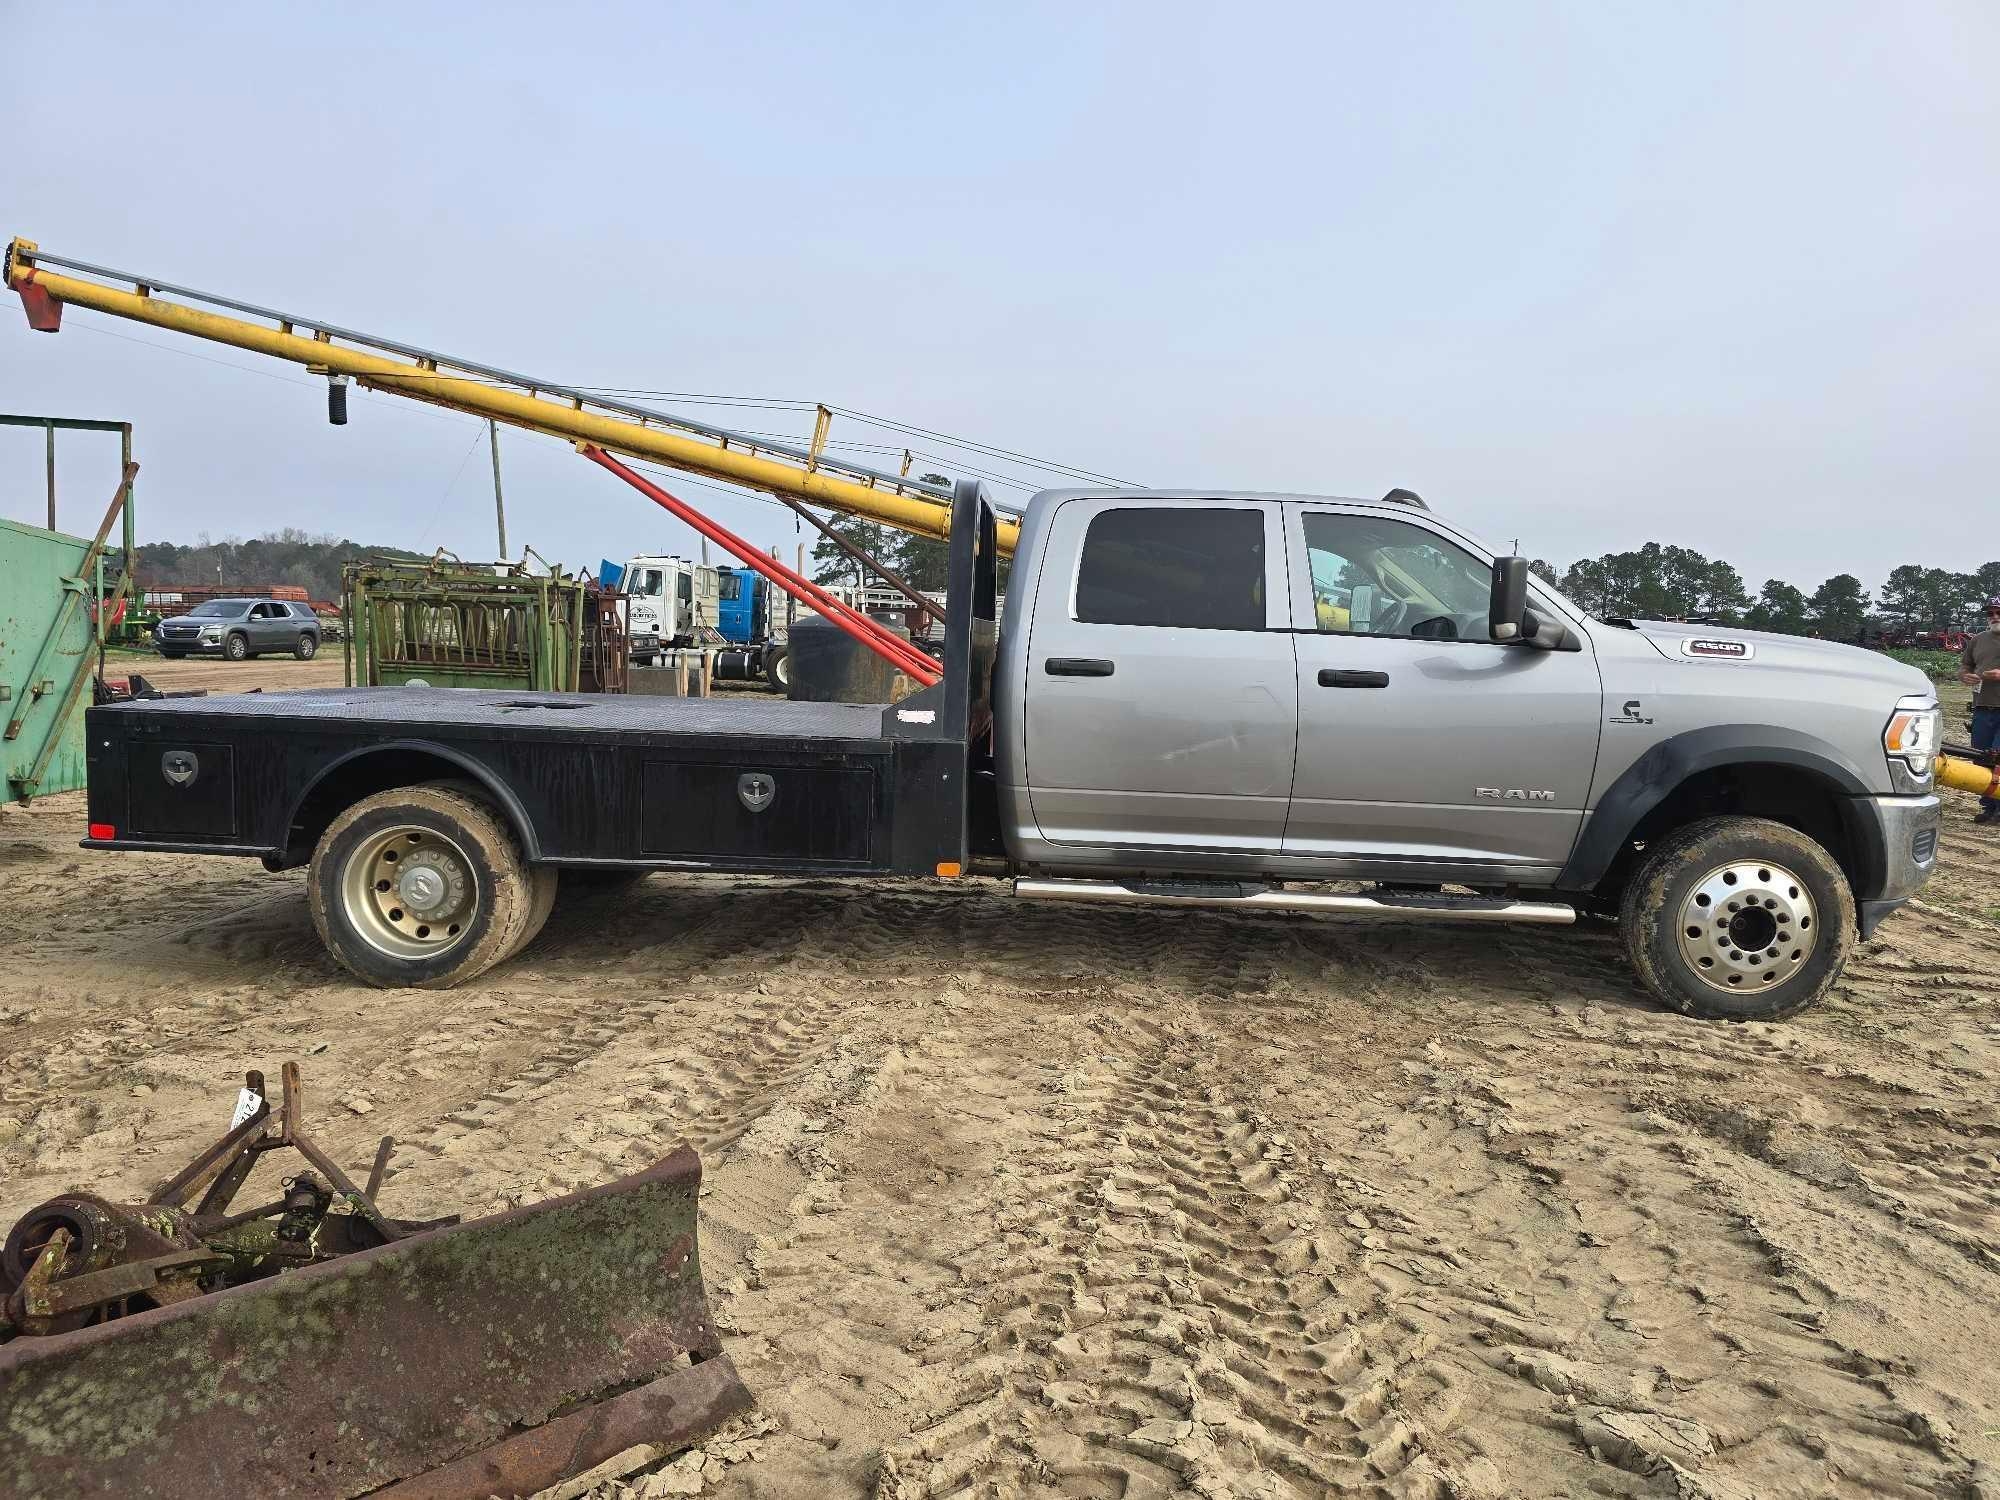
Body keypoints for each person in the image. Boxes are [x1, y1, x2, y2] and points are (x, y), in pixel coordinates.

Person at [1962, 595, 2000, 824]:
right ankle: (1989, 808)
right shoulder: (1977, 640)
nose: (1994, 617)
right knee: (1982, 758)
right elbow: (1965, 664)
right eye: (1991, 613)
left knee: (1998, 756)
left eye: (1999, 612)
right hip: (1982, 708)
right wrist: (1964, 675)